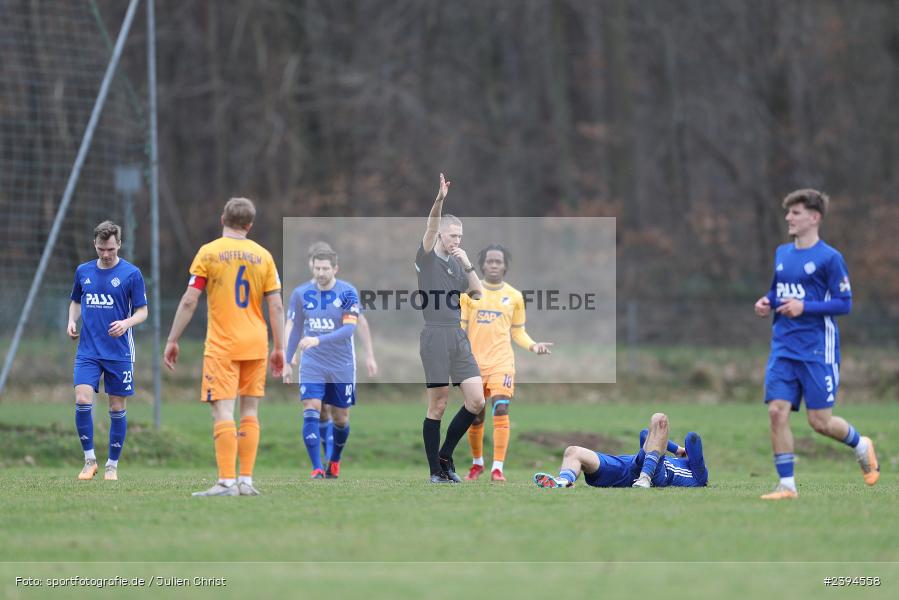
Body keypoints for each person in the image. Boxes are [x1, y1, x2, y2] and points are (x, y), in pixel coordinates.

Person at [754, 189, 878, 500]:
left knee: (819, 422)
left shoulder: (830, 258)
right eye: (788, 213)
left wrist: (804, 307)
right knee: (776, 412)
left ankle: (861, 444)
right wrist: (766, 302)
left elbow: (844, 304)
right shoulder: (782, 253)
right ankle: (787, 486)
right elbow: (777, 291)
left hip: (816, 350)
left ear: (814, 217)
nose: (788, 218)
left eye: (795, 213)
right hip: (783, 347)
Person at [163, 197, 284, 497]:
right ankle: (246, 480)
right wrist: (279, 347)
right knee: (251, 411)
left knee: (223, 411)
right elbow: (277, 306)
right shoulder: (264, 256)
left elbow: (190, 300)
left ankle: (226, 482)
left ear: (222, 219)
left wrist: (172, 339)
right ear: (250, 225)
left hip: (222, 346)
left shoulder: (209, 252)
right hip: (256, 343)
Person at [460, 244, 552, 482]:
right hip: (473, 364)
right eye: (489, 261)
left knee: (501, 407)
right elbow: (460, 327)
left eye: (498, 261)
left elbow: (518, 332)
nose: (493, 265)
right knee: (476, 414)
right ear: (482, 265)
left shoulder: (514, 297)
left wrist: (533, 346)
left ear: (505, 266)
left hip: (502, 362)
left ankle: (497, 468)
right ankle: (477, 463)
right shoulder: (469, 294)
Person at [416, 173, 486, 483]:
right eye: (452, 236)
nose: (456, 241)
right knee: (439, 404)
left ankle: (446, 454)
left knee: (476, 401)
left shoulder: (458, 263)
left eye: (460, 236)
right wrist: (440, 200)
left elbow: (479, 292)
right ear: (441, 236)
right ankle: (436, 472)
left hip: (457, 335)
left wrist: (468, 262)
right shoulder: (427, 258)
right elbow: (431, 225)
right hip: (434, 335)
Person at [284, 242, 378, 467]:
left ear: (335, 268)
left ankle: (333, 461)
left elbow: (353, 327)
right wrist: (288, 358)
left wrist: (369, 355)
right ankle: (317, 467)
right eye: (317, 268)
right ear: (311, 267)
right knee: (313, 409)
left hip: (341, 363)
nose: (320, 272)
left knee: (340, 417)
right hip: (313, 363)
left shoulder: (347, 292)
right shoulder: (302, 293)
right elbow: (293, 325)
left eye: (325, 268)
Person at [68, 221, 148, 481]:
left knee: (116, 407)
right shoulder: (83, 271)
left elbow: (142, 311)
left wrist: (126, 323)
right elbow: (77, 301)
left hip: (118, 351)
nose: (105, 254)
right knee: (82, 399)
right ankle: (89, 460)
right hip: (88, 350)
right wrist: (72, 320)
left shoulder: (131, 274)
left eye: (111, 249)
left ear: (119, 245)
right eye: (101, 248)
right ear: (95, 244)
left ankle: (112, 465)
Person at [533, 413, 708, 489]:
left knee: (660, 418)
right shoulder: (668, 454)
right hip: (627, 467)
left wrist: (680, 450)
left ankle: (644, 479)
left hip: (657, 474)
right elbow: (645, 434)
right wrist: (677, 450)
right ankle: (564, 482)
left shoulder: (698, 477)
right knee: (573, 451)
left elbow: (693, 438)